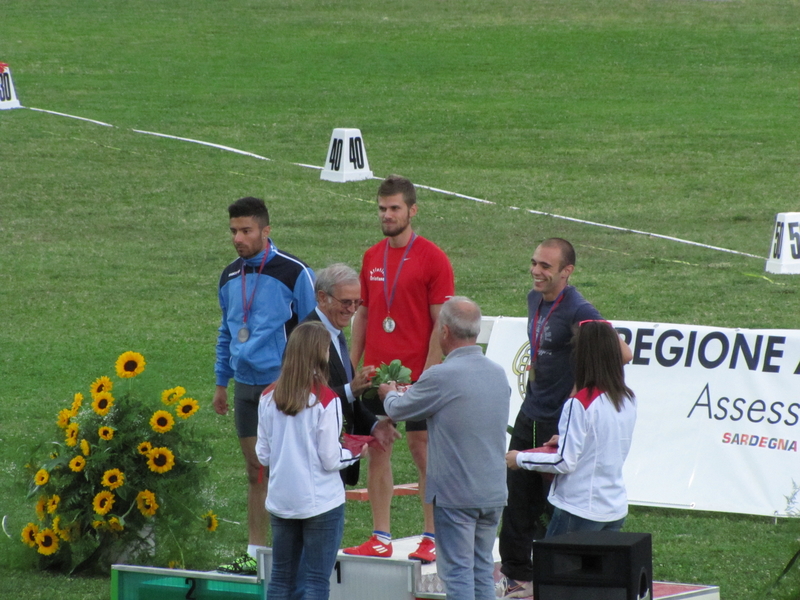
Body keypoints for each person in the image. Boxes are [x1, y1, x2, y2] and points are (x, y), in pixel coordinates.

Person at [496, 238, 632, 598]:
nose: (536, 271)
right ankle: (514, 575)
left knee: (549, 503)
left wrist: (578, 389)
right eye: (534, 263)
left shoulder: (579, 308)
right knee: (516, 499)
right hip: (531, 410)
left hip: (561, 419)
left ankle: (552, 581)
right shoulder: (533, 299)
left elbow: (622, 352)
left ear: (567, 271)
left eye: (545, 266)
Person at [344, 175, 455, 563]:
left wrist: (427, 376)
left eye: (394, 208)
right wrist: (352, 366)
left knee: (422, 451)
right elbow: (365, 314)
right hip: (376, 372)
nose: (387, 215)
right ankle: (379, 536)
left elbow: (441, 324)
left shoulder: (433, 258)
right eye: (382, 208)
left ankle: (431, 536)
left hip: (417, 376)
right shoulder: (372, 257)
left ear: (412, 210)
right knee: (378, 446)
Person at [379, 297, 510, 600]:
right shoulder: (497, 372)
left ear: (445, 332)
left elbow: (399, 410)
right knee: (481, 570)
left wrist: (387, 393)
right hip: (492, 491)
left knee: (457, 573)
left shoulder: (440, 376)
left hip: (456, 493)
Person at [213, 196, 316, 574]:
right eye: (233, 231)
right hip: (245, 387)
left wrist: (305, 381)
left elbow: (313, 332)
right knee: (255, 469)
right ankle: (255, 554)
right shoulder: (229, 276)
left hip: (284, 385)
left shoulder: (294, 272)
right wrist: (221, 382)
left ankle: (299, 555)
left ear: (266, 230)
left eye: (246, 231)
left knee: (289, 468)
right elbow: (226, 331)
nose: (238, 238)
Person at [256, 321, 364, 600]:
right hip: (321, 503)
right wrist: (354, 451)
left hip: (281, 501)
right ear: (320, 352)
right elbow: (330, 458)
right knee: (316, 582)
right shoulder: (327, 400)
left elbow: (263, 455)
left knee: (280, 579)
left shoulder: (268, 397)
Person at [505, 319, 637, 537]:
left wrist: (519, 458)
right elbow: (604, 440)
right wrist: (567, 437)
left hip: (579, 510)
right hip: (614, 508)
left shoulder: (579, 403)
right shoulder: (627, 397)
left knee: (553, 570)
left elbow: (564, 461)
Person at [302, 263, 400, 486]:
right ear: (322, 297)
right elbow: (304, 399)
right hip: (316, 464)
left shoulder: (335, 332)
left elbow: (349, 395)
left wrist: (375, 426)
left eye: (358, 303)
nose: (352, 309)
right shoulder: (306, 337)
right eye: (346, 302)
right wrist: (350, 390)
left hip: (335, 458)